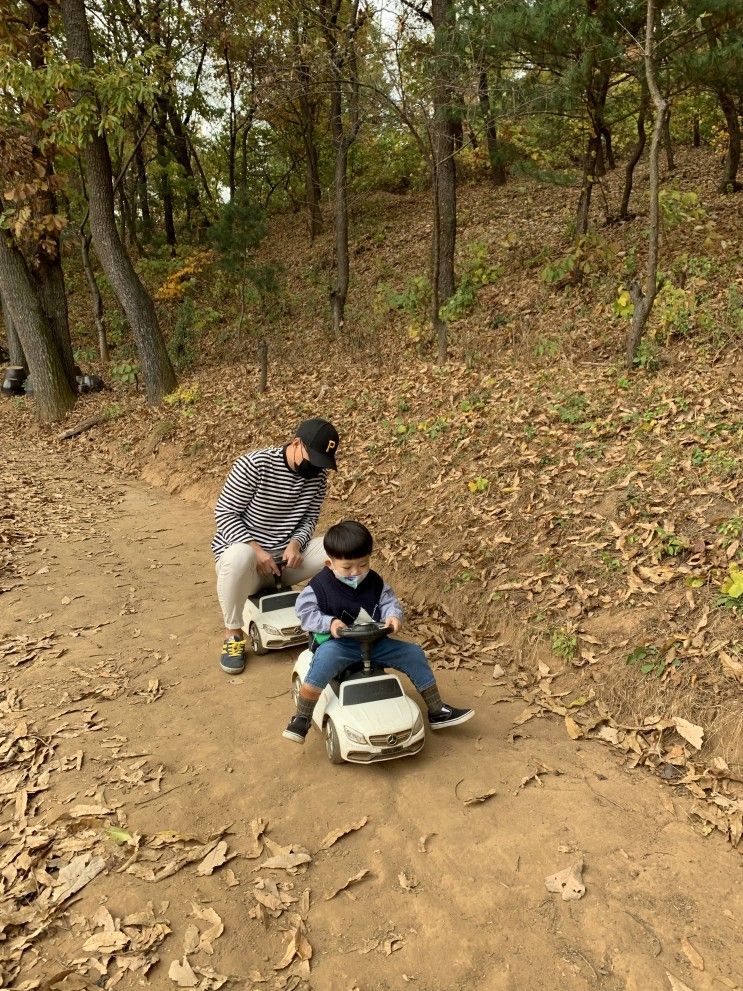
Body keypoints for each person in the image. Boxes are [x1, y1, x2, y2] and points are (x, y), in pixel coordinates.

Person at [283, 520, 474, 743]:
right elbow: (304, 611)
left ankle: (437, 710)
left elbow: (388, 601)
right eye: (347, 567)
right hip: (338, 644)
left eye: (363, 564)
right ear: (329, 564)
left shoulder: (374, 581)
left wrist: (393, 616)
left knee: (412, 653)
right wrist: (330, 622)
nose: (356, 572)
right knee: (323, 662)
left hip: (374, 641)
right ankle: (302, 718)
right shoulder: (318, 587)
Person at [213, 417, 340, 675]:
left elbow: (309, 519)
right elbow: (225, 513)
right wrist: (257, 552)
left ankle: (334, 620)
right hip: (248, 565)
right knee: (239, 555)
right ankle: (233, 634)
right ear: (296, 443)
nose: (315, 468)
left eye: (321, 463)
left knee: (337, 546)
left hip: (287, 562)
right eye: (312, 459)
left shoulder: (317, 479)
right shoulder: (254, 465)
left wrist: (296, 543)